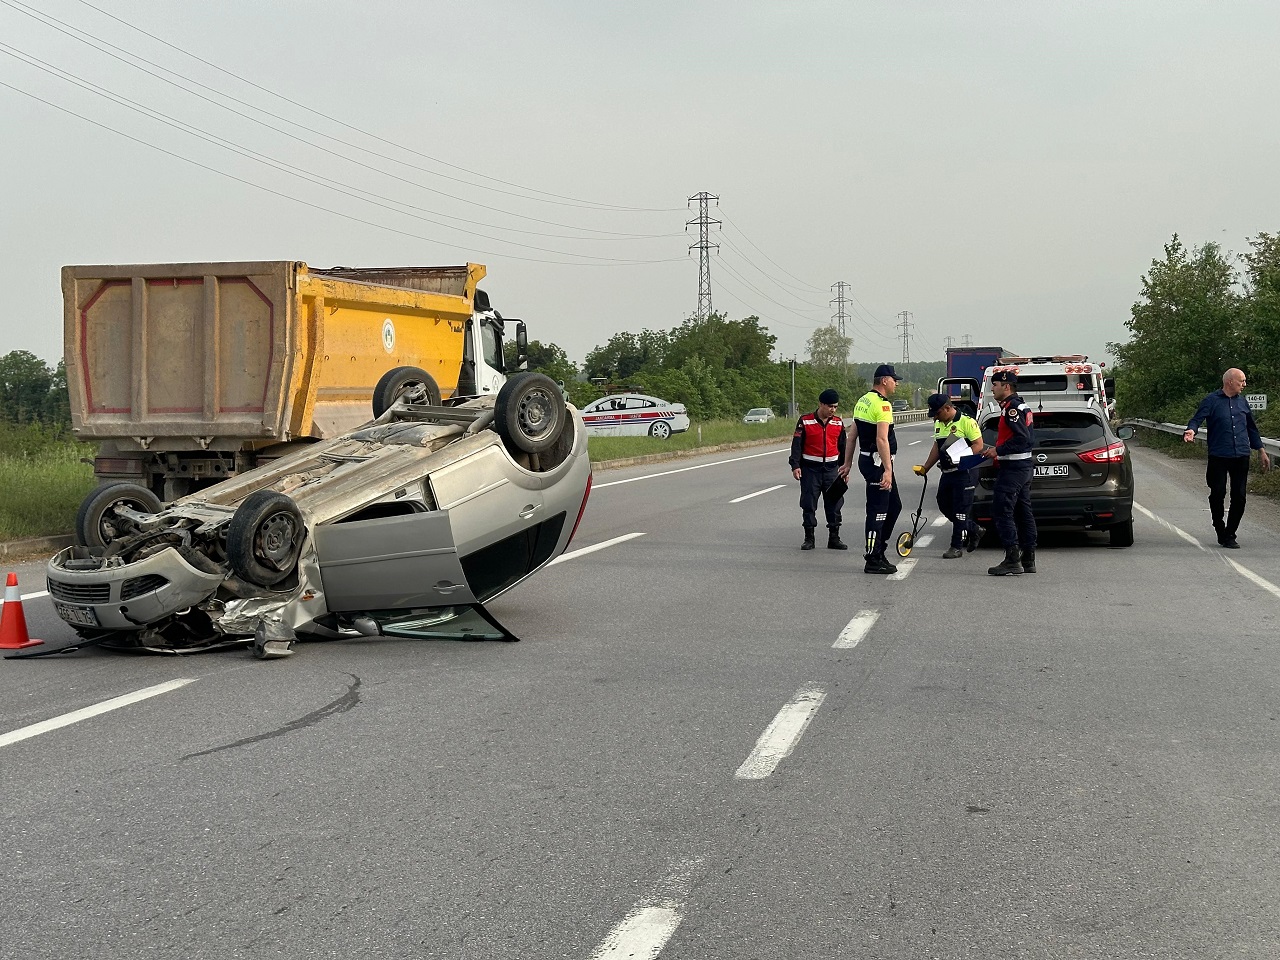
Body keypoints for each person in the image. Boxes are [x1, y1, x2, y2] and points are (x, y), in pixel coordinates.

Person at [1184, 368, 1272, 548]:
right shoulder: (1211, 401)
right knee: (1218, 493)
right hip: (1219, 455)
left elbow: (1252, 429)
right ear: (1230, 382)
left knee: (1239, 496)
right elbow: (1196, 419)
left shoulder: (1243, 403)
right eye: (1242, 381)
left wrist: (1261, 450)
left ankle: (1230, 533)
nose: (1244, 385)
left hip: (1241, 455)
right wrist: (1191, 430)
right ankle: (1219, 527)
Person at [842, 365, 901, 574]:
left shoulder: (863, 400)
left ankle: (879, 550)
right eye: (894, 379)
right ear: (884, 380)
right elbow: (881, 439)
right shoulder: (883, 406)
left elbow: (852, 436)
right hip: (877, 463)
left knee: (894, 506)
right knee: (878, 513)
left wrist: (847, 463)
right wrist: (887, 469)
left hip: (867, 460)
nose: (896, 383)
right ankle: (873, 558)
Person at [914, 393, 986, 559]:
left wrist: (961, 458)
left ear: (948, 408)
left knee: (961, 510)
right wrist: (926, 467)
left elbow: (979, 445)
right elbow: (936, 448)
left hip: (964, 473)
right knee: (943, 504)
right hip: (947, 473)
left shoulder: (966, 421)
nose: (936, 418)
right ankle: (974, 529)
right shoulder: (939, 423)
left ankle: (956, 547)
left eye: (938, 414)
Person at [982, 370, 1038, 575]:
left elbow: (1023, 439)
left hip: (1013, 468)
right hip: (1022, 468)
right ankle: (1029, 558)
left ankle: (1013, 558)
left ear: (1006, 386)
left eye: (995, 384)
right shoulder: (1020, 405)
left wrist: (998, 450)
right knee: (1024, 513)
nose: (992, 388)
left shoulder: (1012, 408)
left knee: (1002, 512)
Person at [789, 388, 848, 550]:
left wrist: (844, 469)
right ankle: (809, 538)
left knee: (835, 504)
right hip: (810, 471)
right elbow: (797, 445)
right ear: (821, 404)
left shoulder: (838, 423)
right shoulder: (805, 421)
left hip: (832, 471)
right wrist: (795, 465)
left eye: (835, 407)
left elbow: (843, 447)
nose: (833, 410)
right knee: (808, 504)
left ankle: (834, 538)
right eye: (830, 406)